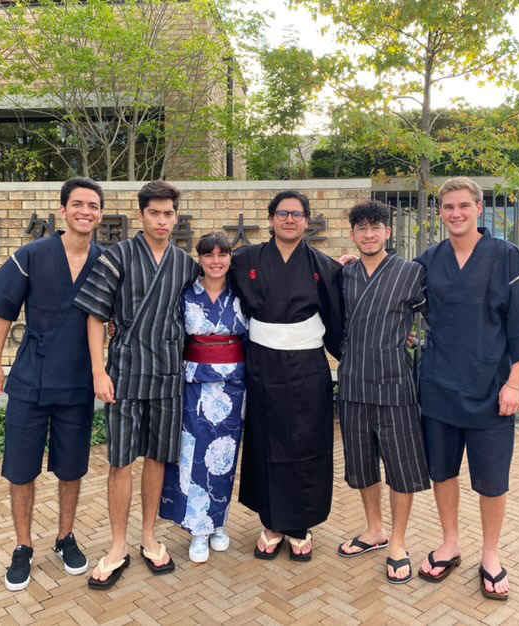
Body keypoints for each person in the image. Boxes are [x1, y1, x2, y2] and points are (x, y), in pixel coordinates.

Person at [415, 177, 519, 601]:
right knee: (441, 470)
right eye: (447, 207)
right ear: (439, 212)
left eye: (463, 205)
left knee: (492, 479)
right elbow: (396, 292)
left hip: (491, 388)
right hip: (439, 385)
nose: (455, 213)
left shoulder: (505, 256)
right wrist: (355, 264)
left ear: (479, 208)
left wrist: (517, 381)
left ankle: (491, 554)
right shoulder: (428, 260)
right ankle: (450, 543)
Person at [0, 177, 104, 591]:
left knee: (71, 468)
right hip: (31, 376)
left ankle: (65, 537)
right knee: (21, 468)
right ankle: (23, 546)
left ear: (100, 214)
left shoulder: (105, 261)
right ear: (63, 210)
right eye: (78, 204)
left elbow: (110, 319)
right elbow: (5, 310)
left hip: (78, 382)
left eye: (93, 206)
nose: (86, 211)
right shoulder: (33, 254)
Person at [74, 180, 199, 590]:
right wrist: (98, 371)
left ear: (176, 217)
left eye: (168, 214)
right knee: (120, 460)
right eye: (154, 213)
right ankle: (117, 545)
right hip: (124, 372)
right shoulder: (117, 256)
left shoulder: (185, 263)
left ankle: (148, 536)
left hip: (167, 373)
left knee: (158, 458)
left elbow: (220, 283)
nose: (162, 221)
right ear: (141, 214)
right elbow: (94, 315)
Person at [229, 190, 343, 562]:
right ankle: (272, 523)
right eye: (282, 213)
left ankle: (299, 524)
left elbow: (340, 317)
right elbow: (212, 289)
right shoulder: (244, 259)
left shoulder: (325, 266)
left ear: (307, 221)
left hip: (309, 366)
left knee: (306, 441)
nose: (289, 219)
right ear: (271, 219)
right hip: (262, 364)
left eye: (297, 214)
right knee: (265, 439)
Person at [336, 201, 431, 585]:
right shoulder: (345, 274)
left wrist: (411, 339)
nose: (369, 234)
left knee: (401, 468)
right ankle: (374, 529)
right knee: (361, 466)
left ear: (388, 232)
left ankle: (398, 541)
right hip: (354, 383)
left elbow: (436, 318)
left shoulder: (411, 273)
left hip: (395, 384)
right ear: (353, 234)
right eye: (361, 228)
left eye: (376, 227)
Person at [159, 232, 248, 563]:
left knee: (224, 457)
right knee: (194, 454)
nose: (215, 261)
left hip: (234, 386)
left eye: (222, 255)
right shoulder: (186, 294)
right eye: (208, 255)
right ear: (199, 259)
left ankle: (219, 523)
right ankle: (198, 528)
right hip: (194, 384)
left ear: (230, 259)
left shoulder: (241, 294)